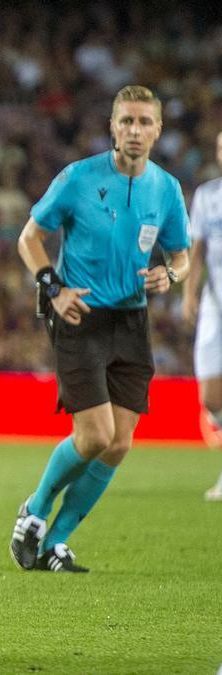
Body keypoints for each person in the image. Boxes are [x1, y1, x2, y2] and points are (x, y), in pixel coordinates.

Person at [10, 85, 190, 573]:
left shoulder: (166, 190)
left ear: (158, 130)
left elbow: (182, 255)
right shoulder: (79, 178)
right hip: (78, 313)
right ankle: (36, 509)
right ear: (113, 126)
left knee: (121, 442)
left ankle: (57, 543)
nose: (135, 131)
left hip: (132, 318)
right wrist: (52, 286)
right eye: (126, 121)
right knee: (95, 436)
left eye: (144, 122)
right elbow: (31, 237)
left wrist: (170, 274)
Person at [183, 131, 222, 497]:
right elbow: (197, 249)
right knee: (210, 395)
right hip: (215, 301)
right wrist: (189, 292)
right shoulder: (208, 196)